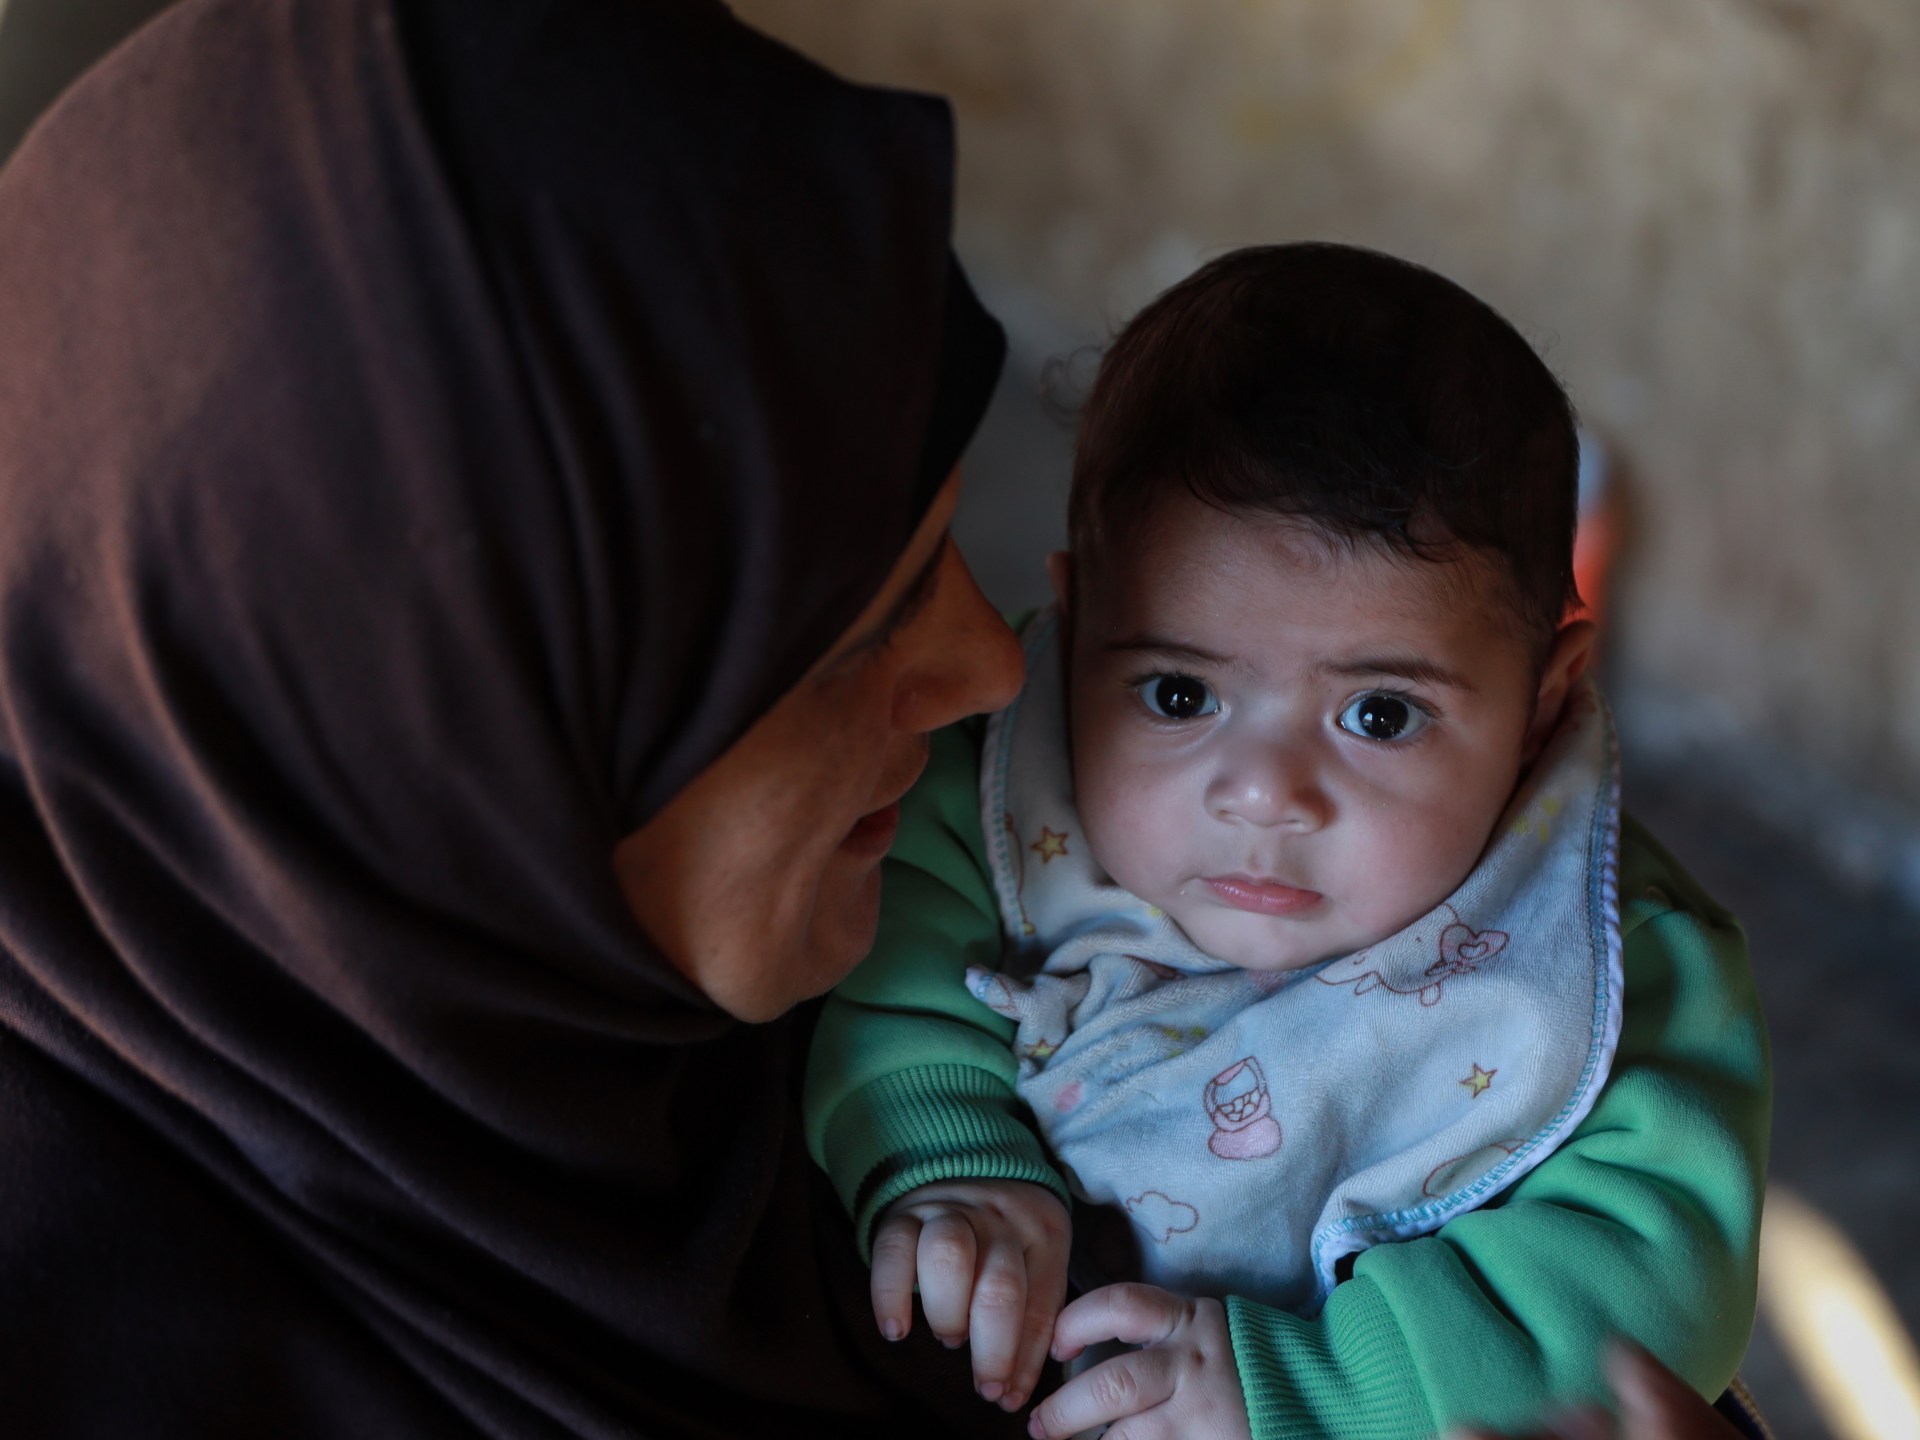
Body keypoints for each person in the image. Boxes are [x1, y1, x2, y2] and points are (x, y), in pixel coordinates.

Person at [0, 0, 1035, 1434]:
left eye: (946, 553)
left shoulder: (918, 1025)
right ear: (428, 767)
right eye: (851, 641)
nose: (995, 667)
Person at [804, 245, 1772, 1437]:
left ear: (1546, 700)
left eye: (1380, 714)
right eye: (1178, 695)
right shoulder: (997, 779)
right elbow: (890, 961)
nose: (1264, 795)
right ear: (1076, 614)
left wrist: (1317, 1386)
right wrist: (948, 1148)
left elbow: (1649, 1286)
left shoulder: (1613, 965)